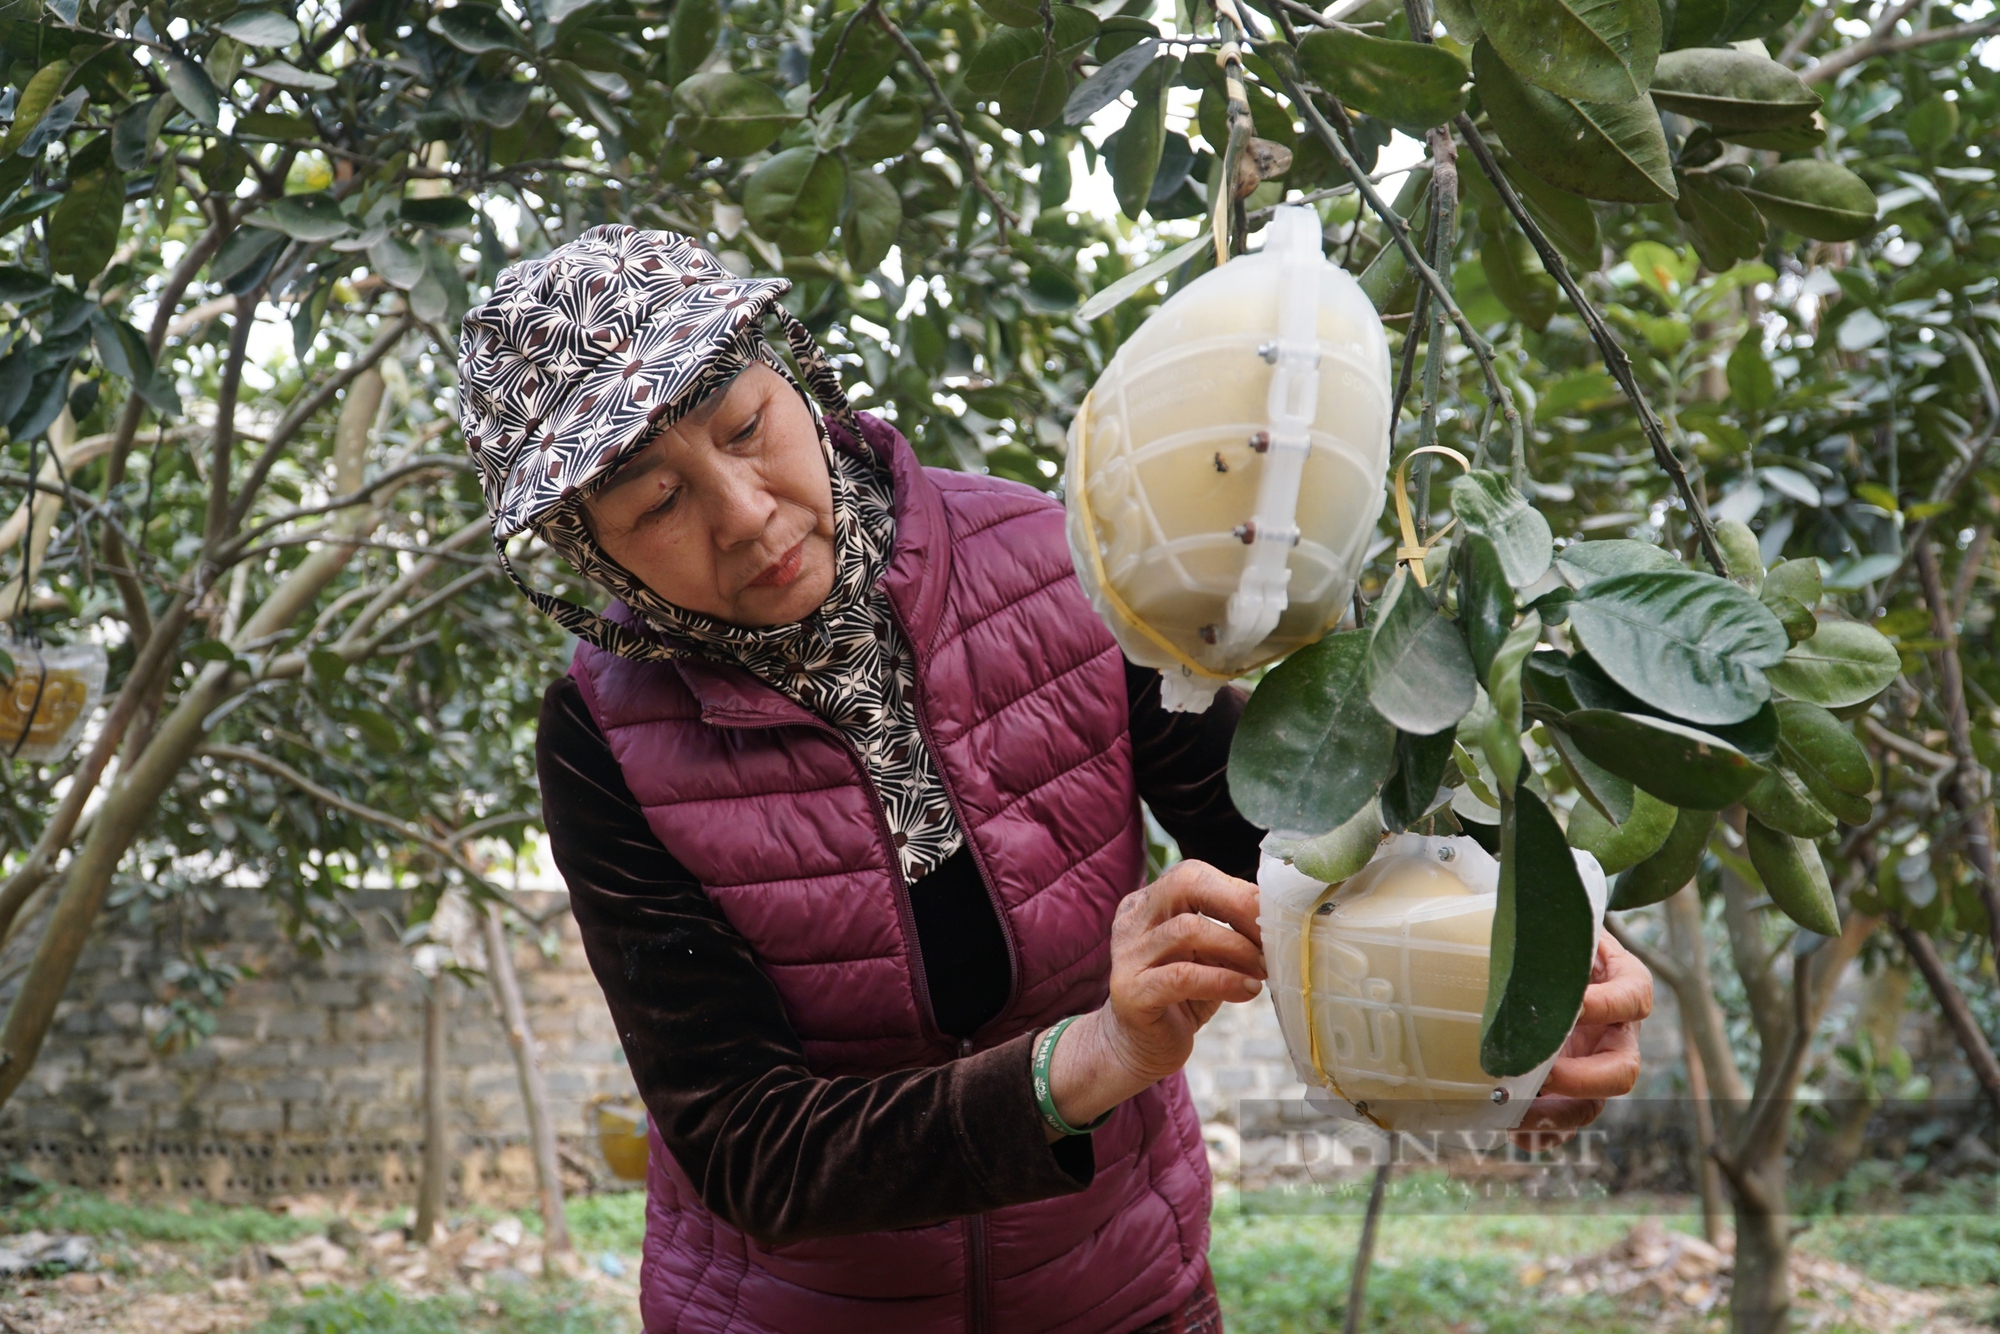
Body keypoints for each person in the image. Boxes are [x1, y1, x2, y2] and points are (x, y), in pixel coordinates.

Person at [456, 225, 1653, 1334]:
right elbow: (747, 1146)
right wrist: (1084, 1061)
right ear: (585, 543)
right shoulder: (605, 731)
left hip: (1120, 1288)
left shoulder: (1056, 562)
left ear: (799, 381)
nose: (742, 509)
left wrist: (1513, 984)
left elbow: (1290, 849)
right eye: (655, 501)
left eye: (742, 427)